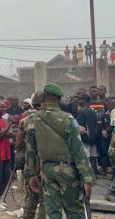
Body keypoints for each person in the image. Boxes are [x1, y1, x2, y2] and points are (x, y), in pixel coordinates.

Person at [26, 83, 94, 218]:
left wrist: (32, 174)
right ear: (59, 98)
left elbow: (31, 151)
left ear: (44, 97)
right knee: (74, 211)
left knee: (52, 212)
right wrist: (88, 178)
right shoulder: (68, 119)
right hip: (67, 171)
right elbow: (78, 151)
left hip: (46, 170)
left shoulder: (32, 119)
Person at [15, 91, 45, 219]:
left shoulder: (25, 120)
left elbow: (18, 143)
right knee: (44, 199)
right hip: (47, 163)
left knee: (32, 196)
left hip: (31, 163)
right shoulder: (53, 118)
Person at [89, 85, 111, 176]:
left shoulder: (103, 103)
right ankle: (94, 171)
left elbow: (106, 117)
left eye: (96, 91)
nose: (95, 92)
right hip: (92, 132)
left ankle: (105, 170)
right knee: (93, 153)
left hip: (101, 131)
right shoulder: (88, 103)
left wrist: (105, 129)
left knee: (103, 150)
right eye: (93, 91)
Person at [76, 94, 99, 175]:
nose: (78, 101)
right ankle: (94, 173)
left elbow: (81, 127)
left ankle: (88, 174)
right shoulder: (92, 111)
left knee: (86, 157)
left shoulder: (82, 111)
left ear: (84, 100)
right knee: (93, 157)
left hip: (86, 138)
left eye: (80, 99)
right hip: (93, 138)